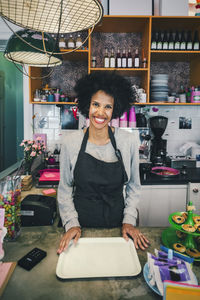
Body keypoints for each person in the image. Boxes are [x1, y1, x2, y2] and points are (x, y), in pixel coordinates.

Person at [57, 71, 149, 254]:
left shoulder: (128, 141)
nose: (100, 112)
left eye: (107, 107)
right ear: (86, 105)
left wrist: (129, 220)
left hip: (118, 225)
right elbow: (65, 189)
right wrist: (71, 223)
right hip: (80, 227)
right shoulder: (70, 142)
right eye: (95, 104)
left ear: (115, 110)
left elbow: (133, 186)